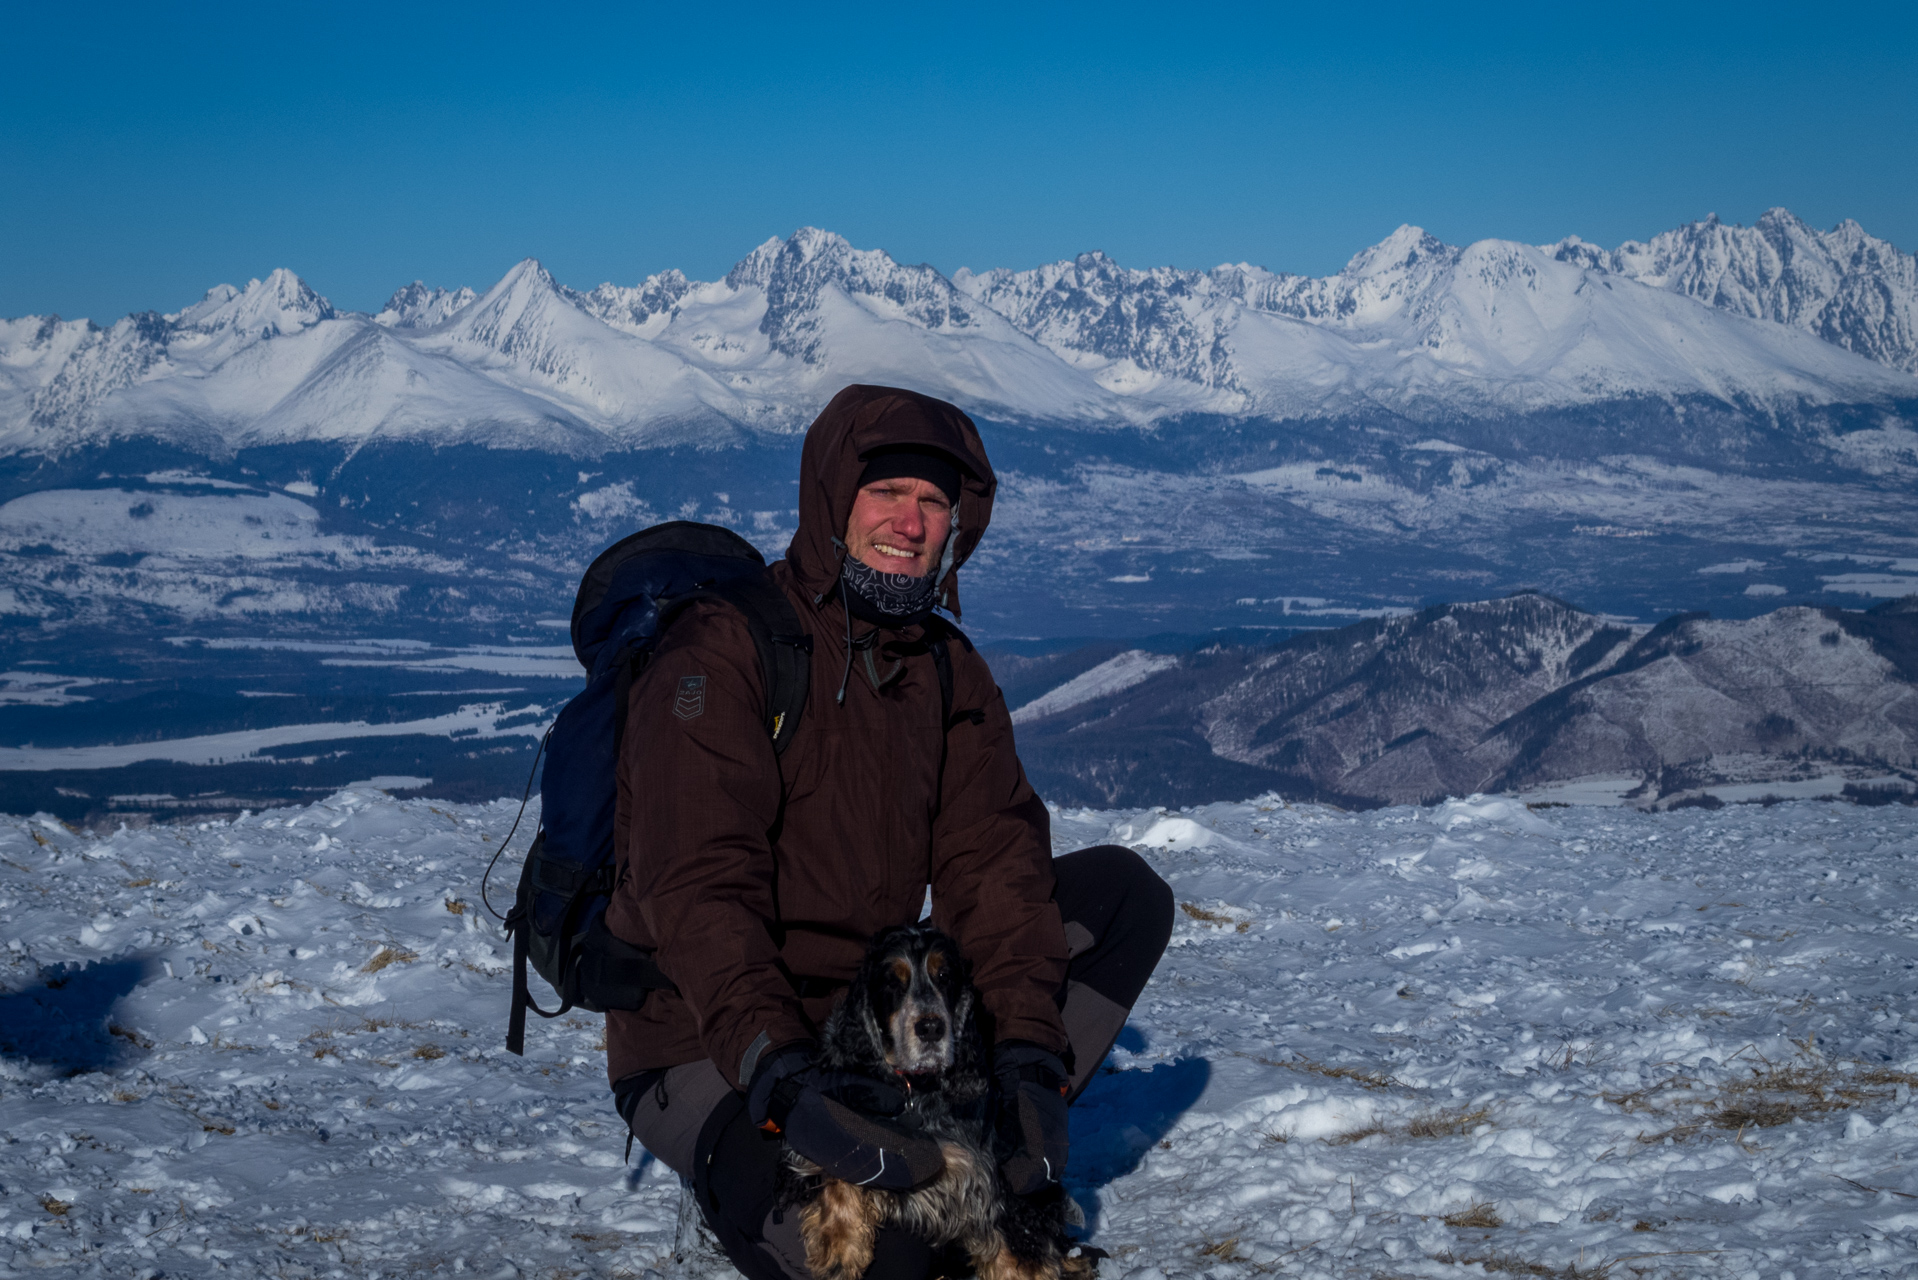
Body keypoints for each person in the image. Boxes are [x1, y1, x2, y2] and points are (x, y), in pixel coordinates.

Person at [604, 384, 1174, 1280]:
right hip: (712, 1043)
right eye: (887, 494)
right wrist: (784, 1079)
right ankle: (739, 1182)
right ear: (834, 500)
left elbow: (996, 869)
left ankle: (992, 1123)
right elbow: (698, 894)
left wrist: (1027, 1056)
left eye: (935, 502)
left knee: (1122, 899)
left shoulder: (947, 673)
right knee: (899, 1261)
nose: (910, 523)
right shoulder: (726, 652)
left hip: (873, 1026)